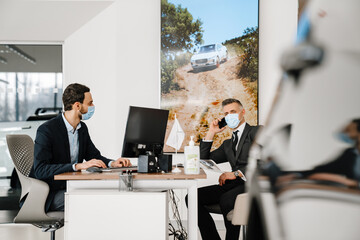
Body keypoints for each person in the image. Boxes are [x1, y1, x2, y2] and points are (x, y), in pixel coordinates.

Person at [30, 83, 131, 212]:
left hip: (70, 186)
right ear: (77, 105)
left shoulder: (81, 128)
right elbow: (41, 170)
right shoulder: (47, 130)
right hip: (49, 194)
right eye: (90, 103)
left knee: (103, 196)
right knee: (90, 202)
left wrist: (112, 163)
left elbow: (94, 156)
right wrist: (77, 166)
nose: (93, 107)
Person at [186, 98, 260, 240]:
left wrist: (236, 173)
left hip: (251, 183)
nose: (229, 116)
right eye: (226, 113)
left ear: (243, 112)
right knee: (192, 197)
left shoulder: (255, 131)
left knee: (226, 199)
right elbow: (203, 159)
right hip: (233, 185)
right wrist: (211, 132)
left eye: (233, 112)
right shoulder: (227, 144)